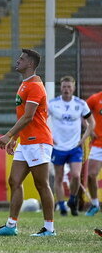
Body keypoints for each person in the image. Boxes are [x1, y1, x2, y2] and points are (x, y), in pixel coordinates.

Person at [0, 48, 56, 237]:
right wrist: (16, 138)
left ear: (31, 64)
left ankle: (49, 228)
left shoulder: (35, 86)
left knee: (42, 184)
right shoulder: (25, 84)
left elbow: (28, 117)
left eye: (22, 59)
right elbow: (24, 118)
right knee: (14, 181)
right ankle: (11, 226)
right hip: (26, 142)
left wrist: (8, 135)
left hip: (39, 141)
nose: (18, 61)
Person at [48, 76, 90, 216]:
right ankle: (62, 206)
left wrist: (83, 138)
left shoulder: (80, 104)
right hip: (58, 147)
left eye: (69, 87)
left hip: (74, 147)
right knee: (58, 178)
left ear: (74, 88)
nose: (66, 89)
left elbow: (92, 123)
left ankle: (72, 200)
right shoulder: (52, 104)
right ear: (61, 87)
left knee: (76, 176)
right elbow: (41, 120)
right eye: (64, 87)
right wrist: (50, 137)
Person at [85, 86, 102, 216]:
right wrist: (89, 129)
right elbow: (82, 112)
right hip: (98, 143)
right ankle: (95, 204)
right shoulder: (95, 98)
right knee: (91, 175)